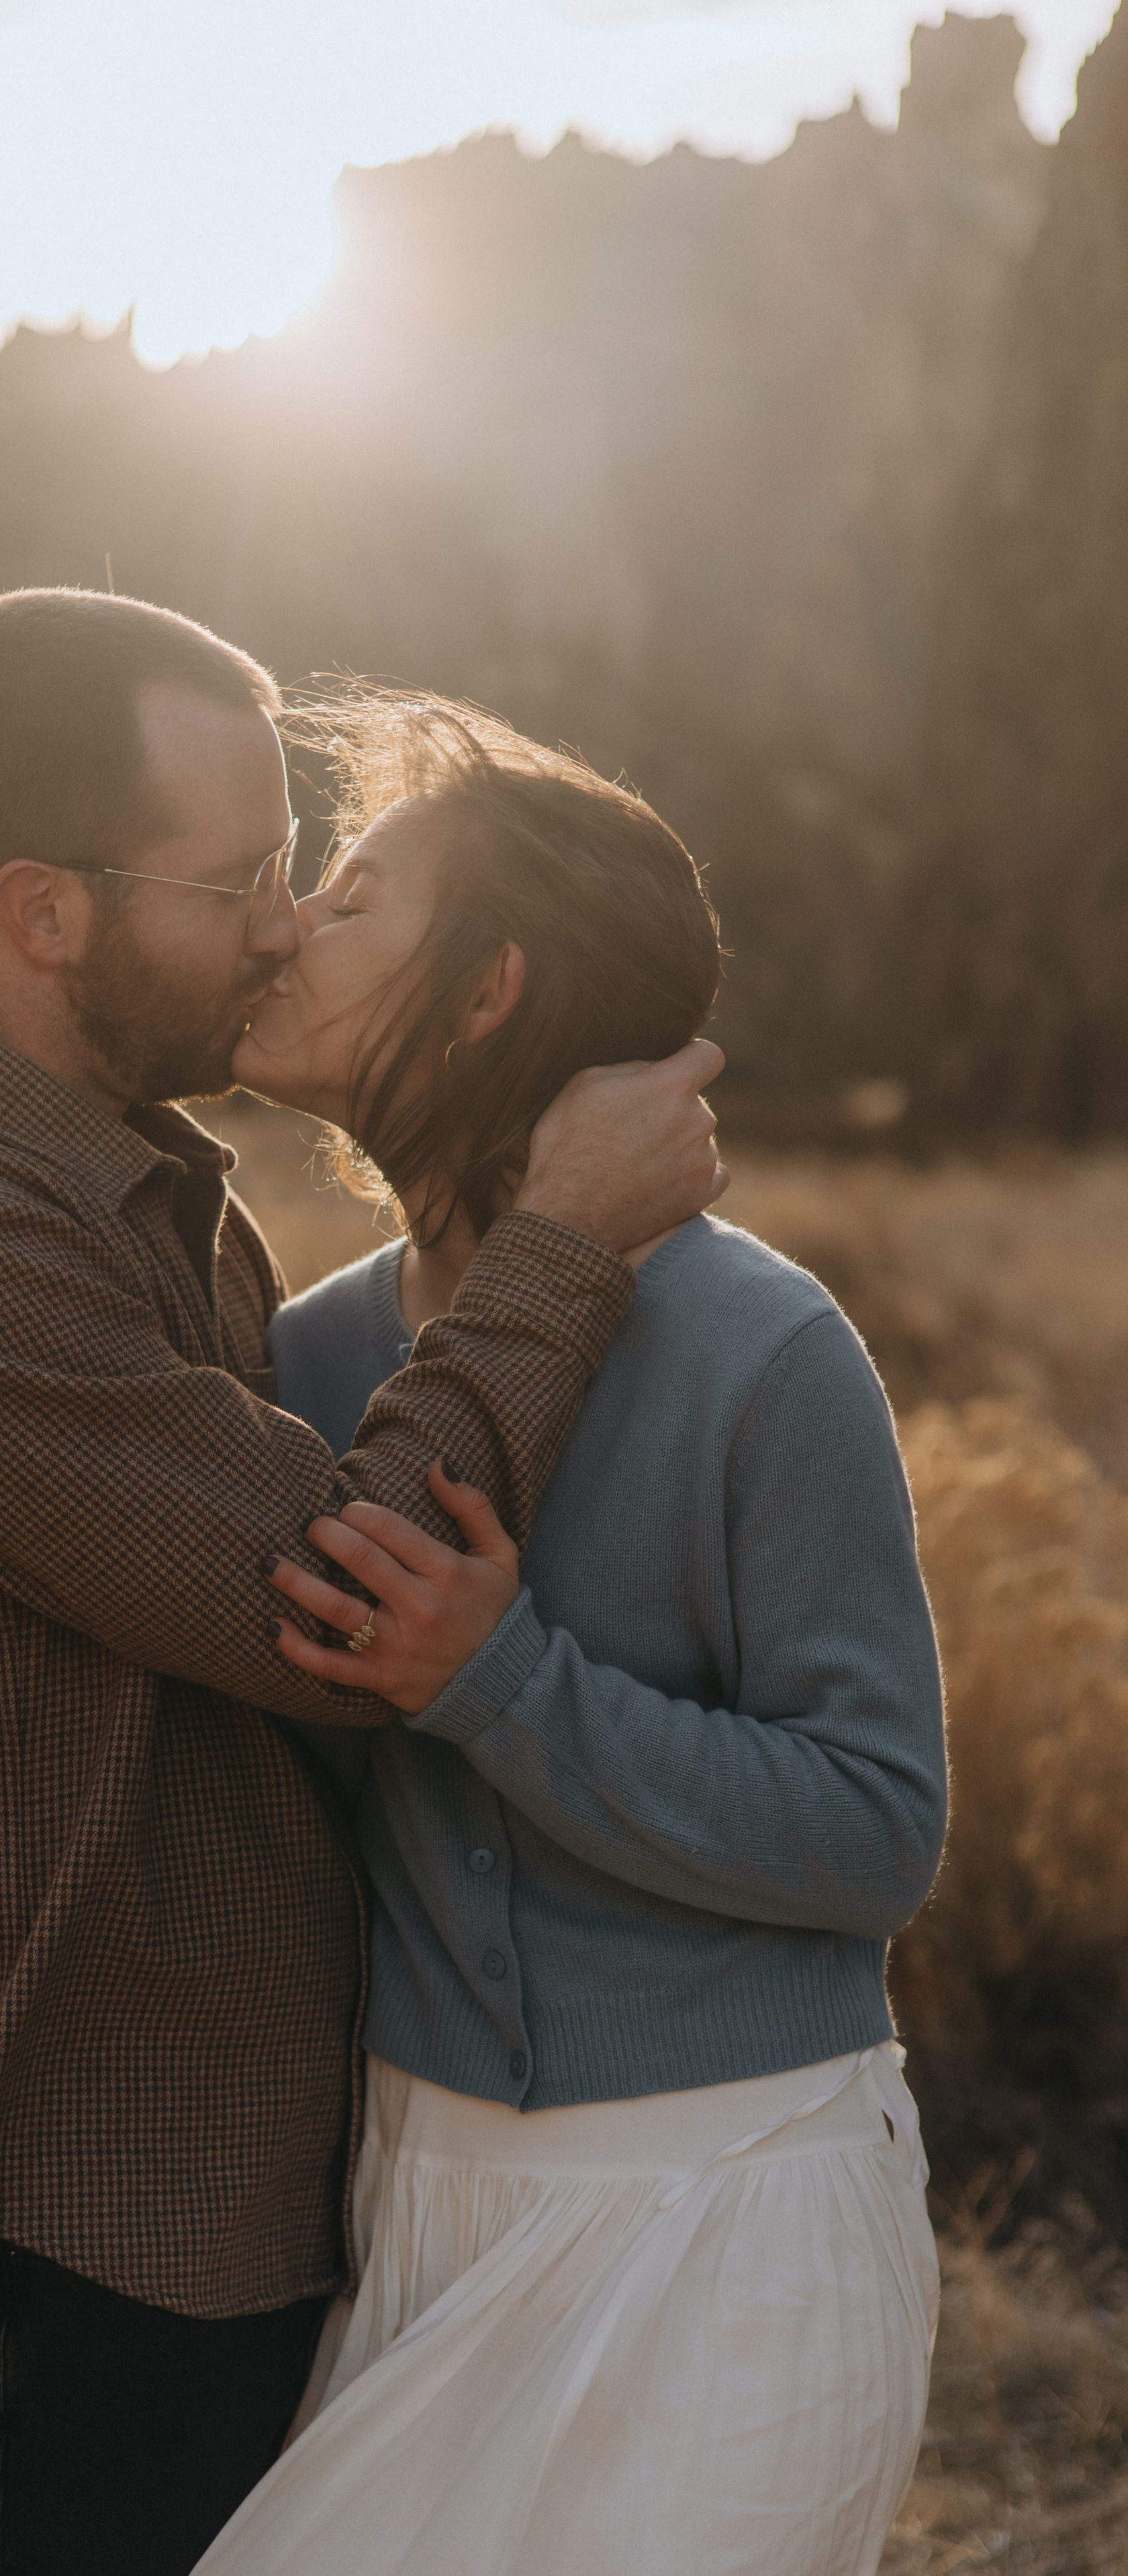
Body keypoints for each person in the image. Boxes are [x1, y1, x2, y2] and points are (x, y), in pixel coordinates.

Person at [0, 591, 726, 2576]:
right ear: (44, 911)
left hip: (215, 2225)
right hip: (63, 2242)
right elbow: (343, 1615)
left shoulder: (132, 1189)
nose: (283, 924)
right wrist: (568, 1241)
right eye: (243, 878)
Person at [193, 689, 946, 2576]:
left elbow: (878, 1826)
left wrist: (504, 1685)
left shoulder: (766, 1353)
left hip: (734, 2206)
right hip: (418, 2204)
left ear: (485, 991)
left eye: (353, 899)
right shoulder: (316, 1356)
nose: (287, 923)